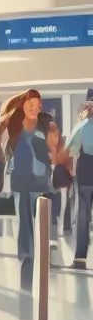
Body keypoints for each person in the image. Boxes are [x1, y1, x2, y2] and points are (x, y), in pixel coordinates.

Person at [0, 89, 50, 291]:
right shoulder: (14, 129)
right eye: (31, 104)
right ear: (23, 106)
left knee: (42, 221)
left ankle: (41, 255)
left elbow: (52, 152)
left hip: (41, 183)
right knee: (25, 222)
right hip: (21, 182)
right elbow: (3, 153)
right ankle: (27, 258)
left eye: (38, 104)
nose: (35, 108)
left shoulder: (44, 126)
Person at [66, 97, 93, 270]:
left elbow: (72, 150)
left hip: (85, 173)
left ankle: (80, 257)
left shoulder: (82, 126)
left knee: (83, 215)